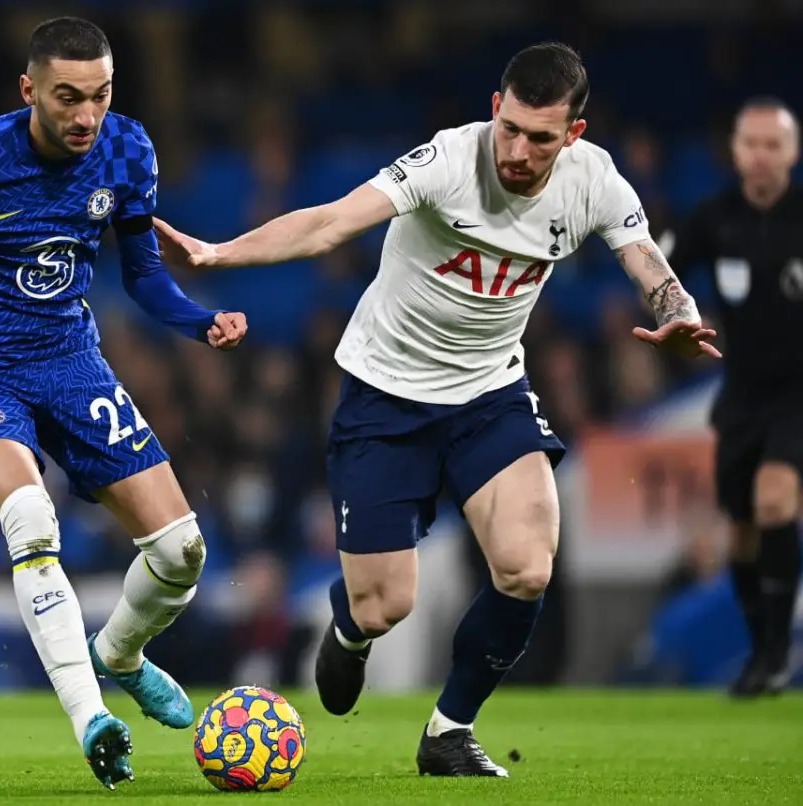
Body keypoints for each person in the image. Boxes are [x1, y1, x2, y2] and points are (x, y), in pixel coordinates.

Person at [156, 41, 719, 777]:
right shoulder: (448, 161)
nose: (518, 149)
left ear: (573, 136)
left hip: (488, 393)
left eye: (540, 137)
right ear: (495, 109)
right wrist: (219, 255)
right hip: (384, 397)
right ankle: (352, 627)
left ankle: (448, 731)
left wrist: (676, 306)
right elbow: (332, 221)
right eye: (509, 127)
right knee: (386, 604)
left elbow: (644, 255)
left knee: (526, 566)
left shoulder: (593, 180)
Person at [0, 17, 247, 789]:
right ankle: (88, 715)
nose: (85, 116)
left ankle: (120, 655)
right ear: (29, 89)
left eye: (99, 96)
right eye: (67, 98)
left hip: (72, 360)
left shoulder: (128, 148)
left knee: (181, 553)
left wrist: (199, 321)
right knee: (32, 517)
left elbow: (141, 274)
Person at [657, 97, 803, 698]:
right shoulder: (712, 219)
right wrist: (672, 319)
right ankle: (761, 648)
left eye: (774, 145)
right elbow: (661, 273)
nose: (762, 156)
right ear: (736, 151)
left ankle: (773, 655)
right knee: (741, 531)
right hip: (740, 394)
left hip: (799, 392)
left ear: (792, 153)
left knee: (775, 502)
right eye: (752, 144)